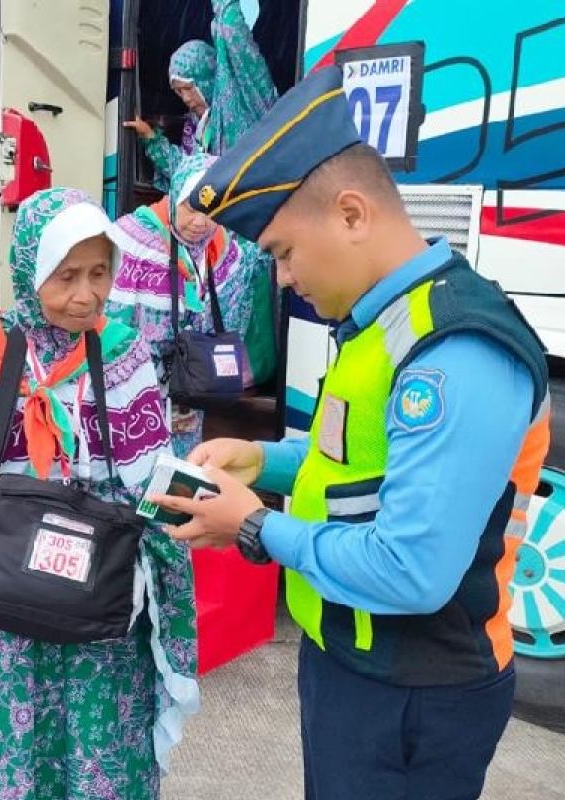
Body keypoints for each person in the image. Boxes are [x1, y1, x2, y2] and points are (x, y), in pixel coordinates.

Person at [155, 66, 551, 799]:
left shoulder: (456, 351)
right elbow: (360, 459)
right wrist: (263, 459)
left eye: (281, 252)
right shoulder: (381, 323)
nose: (280, 279)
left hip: (413, 693)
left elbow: (412, 569)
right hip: (351, 659)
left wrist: (253, 528)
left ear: (350, 214)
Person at [0, 188, 199, 799]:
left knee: (98, 753)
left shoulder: (126, 352)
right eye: (66, 276)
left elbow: (155, 475)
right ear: (30, 268)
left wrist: (153, 561)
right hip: (0, 611)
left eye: (99, 273)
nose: (86, 294)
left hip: (101, 610)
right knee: (4, 757)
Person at [107, 152, 270, 455]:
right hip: (138, 387)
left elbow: (258, 258)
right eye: (189, 208)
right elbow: (108, 319)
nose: (199, 223)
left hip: (188, 389)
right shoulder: (132, 239)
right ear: (174, 196)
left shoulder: (223, 246)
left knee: (180, 465)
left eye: (211, 212)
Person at [124, 0, 277, 193]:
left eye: (189, 88)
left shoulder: (248, 101)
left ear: (205, 79)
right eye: (179, 92)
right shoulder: (198, 129)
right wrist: (150, 138)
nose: (185, 98)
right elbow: (188, 173)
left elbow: (233, 33)